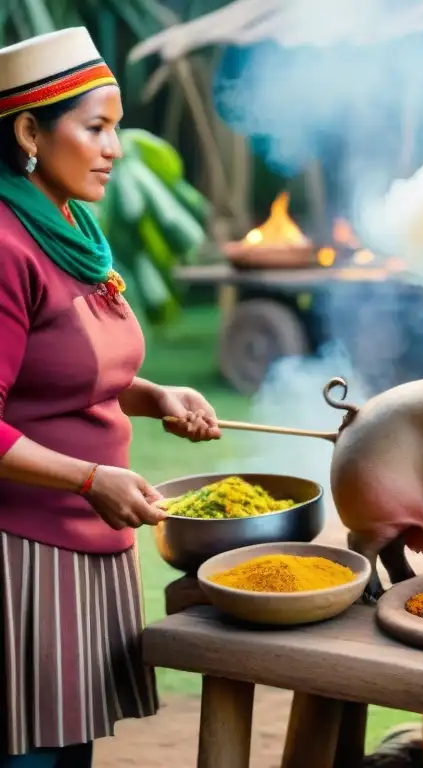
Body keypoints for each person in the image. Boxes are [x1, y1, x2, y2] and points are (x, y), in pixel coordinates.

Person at [0, 28, 221, 767]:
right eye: (95, 128)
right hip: (22, 558)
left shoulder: (71, 226)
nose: (114, 150)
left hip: (89, 550)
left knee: (72, 753)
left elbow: (66, 369)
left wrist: (156, 394)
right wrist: (90, 478)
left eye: (114, 129)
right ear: (30, 130)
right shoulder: (5, 247)